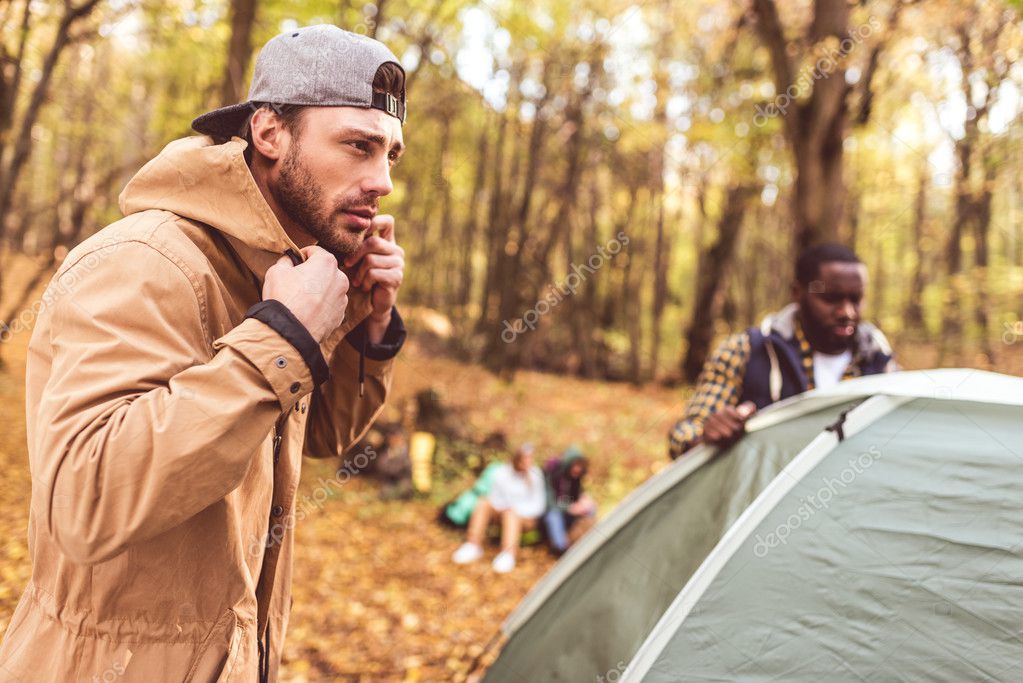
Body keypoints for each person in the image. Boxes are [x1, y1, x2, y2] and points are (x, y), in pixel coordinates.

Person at [0, 26, 409, 682]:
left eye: (390, 154)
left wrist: (365, 325)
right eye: (357, 146)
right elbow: (85, 499)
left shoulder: (279, 274)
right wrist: (280, 337)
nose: (382, 181)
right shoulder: (144, 261)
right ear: (270, 132)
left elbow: (318, 436)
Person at [669, 243, 896, 459]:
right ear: (798, 292)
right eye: (831, 299)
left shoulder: (880, 362)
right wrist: (706, 437)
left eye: (855, 300)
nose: (847, 312)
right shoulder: (746, 350)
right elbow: (684, 435)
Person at [452, 444, 547, 573]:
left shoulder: (535, 475)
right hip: (501, 511)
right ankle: (472, 544)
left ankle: (508, 553)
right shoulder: (502, 472)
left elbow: (538, 505)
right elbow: (494, 496)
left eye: (530, 459)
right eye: (525, 459)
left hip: (524, 518)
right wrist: (502, 507)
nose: (528, 462)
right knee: (483, 502)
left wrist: (516, 510)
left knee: (511, 514)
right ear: (517, 459)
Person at [543, 446, 597, 555]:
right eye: (575, 465)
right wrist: (569, 508)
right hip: (554, 511)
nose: (577, 469)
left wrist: (583, 501)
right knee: (553, 516)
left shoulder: (575, 477)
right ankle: (560, 548)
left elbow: (576, 495)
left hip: (569, 511)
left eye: (580, 466)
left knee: (591, 508)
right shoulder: (553, 474)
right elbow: (550, 503)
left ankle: (585, 539)